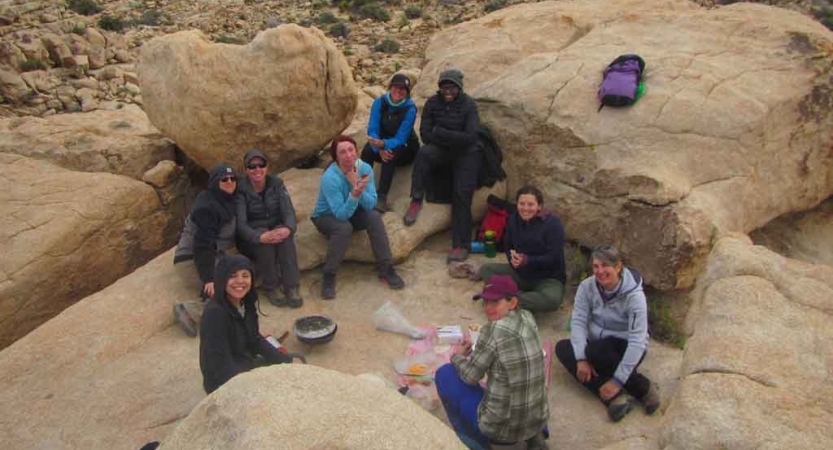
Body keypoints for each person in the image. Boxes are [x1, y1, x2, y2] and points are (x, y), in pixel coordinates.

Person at [435, 275, 550, 450]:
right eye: (485, 302)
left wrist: (456, 356)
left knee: (445, 374)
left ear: (512, 303)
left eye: (495, 302)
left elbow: (471, 377)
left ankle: (475, 443)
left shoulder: (492, 329)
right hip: (537, 420)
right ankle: (536, 437)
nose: (487, 308)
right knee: (522, 390)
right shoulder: (528, 317)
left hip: (501, 431)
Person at [554, 245, 660, 422]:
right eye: (596, 266)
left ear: (618, 267)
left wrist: (618, 381)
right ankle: (614, 397)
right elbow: (579, 322)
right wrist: (580, 359)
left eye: (605, 266)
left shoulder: (635, 297)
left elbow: (637, 341)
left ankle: (642, 388)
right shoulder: (587, 287)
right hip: (598, 342)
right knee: (563, 348)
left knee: (595, 351)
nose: (600, 271)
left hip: (624, 344)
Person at [403, 68, 482, 264]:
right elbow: (426, 135)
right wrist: (450, 136)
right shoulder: (432, 103)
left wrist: (442, 133)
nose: (448, 91)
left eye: (452, 87)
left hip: (467, 153)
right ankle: (416, 199)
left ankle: (460, 245)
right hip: (444, 149)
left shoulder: (469, 105)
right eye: (444, 87)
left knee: (462, 195)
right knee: (424, 153)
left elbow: (471, 137)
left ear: (459, 88)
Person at [311, 135, 405, 299]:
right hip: (326, 216)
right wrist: (355, 190)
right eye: (342, 152)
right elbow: (340, 214)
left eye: (350, 150)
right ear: (336, 157)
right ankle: (329, 274)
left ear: (356, 152)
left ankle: (386, 268)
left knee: (374, 217)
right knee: (344, 227)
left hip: (353, 210)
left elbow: (371, 204)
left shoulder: (365, 169)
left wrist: (358, 188)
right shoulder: (330, 177)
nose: (348, 155)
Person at [199, 254, 297, 394]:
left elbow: (255, 339)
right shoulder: (215, 314)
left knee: (294, 362)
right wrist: (249, 388)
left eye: (245, 276)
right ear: (222, 279)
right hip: (226, 382)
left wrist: (286, 361)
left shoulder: (245, 303)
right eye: (232, 276)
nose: (240, 281)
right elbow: (219, 364)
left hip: (245, 363)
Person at [172, 163, 238, 337]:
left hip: (214, 255)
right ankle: (191, 310)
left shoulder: (224, 199)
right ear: (215, 182)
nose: (230, 182)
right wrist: (209, 279)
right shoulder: (207, 207)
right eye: (224, 179)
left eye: (233, 178)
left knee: (245, 272)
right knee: (233, 285)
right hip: (191, 260)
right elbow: (202, 245)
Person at [479, 186, 566, 312]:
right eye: (522, 204)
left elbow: (554, 257)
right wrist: (513, 260)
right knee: (486, 269)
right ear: (517, 204)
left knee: (552, 300)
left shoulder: (552, 224)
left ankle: (508, 299)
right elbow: (508, 246)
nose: (525, 208)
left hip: (548, 277)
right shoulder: (513, 220)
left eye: (530, 204)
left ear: (539, 206)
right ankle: (514, 300)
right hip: (521, 273)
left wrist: (528, 260)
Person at [235, 150, 303, 308]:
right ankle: (271, 287)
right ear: (246, 169)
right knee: (265, 245)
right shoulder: (241, 190)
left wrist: (288, 228)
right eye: (252, 166)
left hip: (275, 226)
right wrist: (259, 237)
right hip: (253, 234)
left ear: (267, 167)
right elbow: (241, 225)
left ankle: (292, 286)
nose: (257, 169)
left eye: (261, 165)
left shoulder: (277, 184)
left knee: (285, 239)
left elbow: (288, 211)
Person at [360, 73, 419, 213]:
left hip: (406, 148)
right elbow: (373, 128)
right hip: (382, 142)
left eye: (403, 89)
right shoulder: (380, 102)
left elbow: (401, 138)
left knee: (390, 154)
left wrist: (384, 145)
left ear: (407, 91)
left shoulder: (410, 108)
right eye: (396, 87)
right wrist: (378, 147)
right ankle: (363, 188)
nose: (399, 91)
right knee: (367, 150)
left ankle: (381, 197)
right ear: (390, 87)